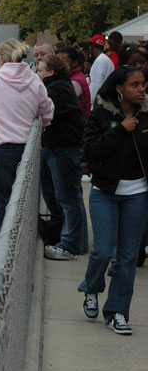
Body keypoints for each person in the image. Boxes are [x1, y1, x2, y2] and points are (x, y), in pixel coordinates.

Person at [79, 67, 148, 336]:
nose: (142, 89)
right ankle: (91, 288)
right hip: (105, 192)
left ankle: (118, 312)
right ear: (119, 89)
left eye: (143, 84)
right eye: (135, 85)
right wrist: (120, 130)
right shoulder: (100, 115)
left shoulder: (145, 117)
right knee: (103, 251)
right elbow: (92, 150)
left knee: (128, 257)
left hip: (137, 194)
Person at [0, 38, 54, 236]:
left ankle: (3, 250)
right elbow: (47, 109)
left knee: (3, 201)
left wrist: (0, 114)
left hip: (3, 147)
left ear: (2, 58)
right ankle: (21, 237)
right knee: (25, 201)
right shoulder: (34, 80)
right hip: (28, 147)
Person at [37, 55, 88, 260]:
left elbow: (41, 109)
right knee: (64, 198)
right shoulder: (58, 86)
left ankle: (71, 244)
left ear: (51, 72)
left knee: (68, 198)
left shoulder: (57, 89)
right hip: (57, 148)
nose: (37, 74)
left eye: (40, 70)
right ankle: (74, 240)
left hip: (64, 149)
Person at [56, 47, 91, 118]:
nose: (57, 65)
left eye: (62, 62)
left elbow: (62, 104)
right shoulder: (74, 76)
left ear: (75, 62)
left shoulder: (75, 82)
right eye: (56, 61)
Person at [88, 34, 115, 103]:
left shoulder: (100, 61)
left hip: (99, 103)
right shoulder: (106, 59)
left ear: (92, 47)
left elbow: (96, 85)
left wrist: (90, 104)